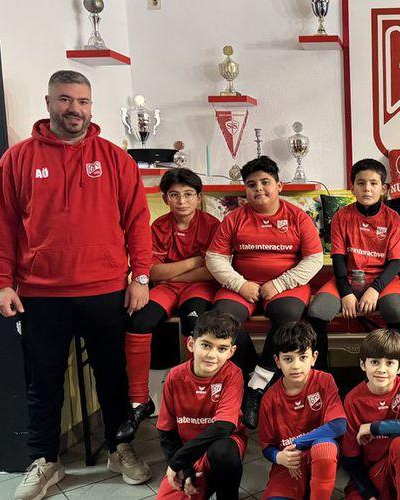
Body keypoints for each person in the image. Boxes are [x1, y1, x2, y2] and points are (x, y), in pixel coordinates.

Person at [0, 70, 152, 499]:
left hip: (105, 289)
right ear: (48, 102)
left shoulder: (115, 159)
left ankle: (119, 448)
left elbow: (137, 222)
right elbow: (1, 225)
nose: (74, 109)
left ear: (91, 106)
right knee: (43, 383)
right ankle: (45, 460)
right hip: (40, 294)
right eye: (65, 99)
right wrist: (1, 282)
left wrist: (140, 276)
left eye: (82, 101)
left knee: (112, 377)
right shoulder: (18, 159)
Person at [205, 156, 324, 430]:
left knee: (288, 317)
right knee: (222, 320)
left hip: (286, 285)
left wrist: (279, 284)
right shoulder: (234, 218)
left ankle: (257, 386)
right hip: (242, 284)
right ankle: (252, 373)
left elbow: (314, 259)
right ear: (245, 190)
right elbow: (215, 258)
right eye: (251, 184)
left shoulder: (298, 217)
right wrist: (240, 284)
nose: (258, 188)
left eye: (265, 182)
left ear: (279, 186)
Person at [118, 167, 221, 441]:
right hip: (166, 289)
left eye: (188, 194)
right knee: (138, 322)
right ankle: (139, 402)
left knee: (194, 324)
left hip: (199, 288)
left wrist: (172, 271)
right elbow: (152, 272)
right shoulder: (159, 227)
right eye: (174, 195)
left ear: (199, 197)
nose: (182, 201)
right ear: (165, 198)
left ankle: (194, 397)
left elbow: (212, 272)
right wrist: (193, 262)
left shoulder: (213, 226)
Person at [306, 159, 400, 369]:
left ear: (383, 189)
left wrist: (375, 289)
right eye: (361, 183)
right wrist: (346, 293)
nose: (367, 189)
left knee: (396, 311)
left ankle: (396, 370)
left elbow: (396, 262)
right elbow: (338, 259)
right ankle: (320, 374)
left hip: (382, 281)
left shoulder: (393, 218)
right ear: (352, 187)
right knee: (317, 312)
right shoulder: (341, 216)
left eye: (373, 183)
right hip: (348, 278)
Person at [155, 311, 246, 500]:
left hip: (220, 448)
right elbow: (166, 431)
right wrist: (184, 467)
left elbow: (224, 427)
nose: (212, 355)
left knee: (222, 450)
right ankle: (201, 483)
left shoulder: (233, 374)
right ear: (191, 344)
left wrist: (177, 461)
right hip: (188, 452)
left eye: (222, 348)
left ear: (231, 352)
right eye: (205, 345)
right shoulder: (174, 376)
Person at [259, 321, 346, 500]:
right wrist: (279, 457)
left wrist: (297, 443)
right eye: (288, 359)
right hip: (289, 463)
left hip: (319, 456)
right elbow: (267, 447)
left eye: (303, 357)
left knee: (325, 448)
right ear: (277, 361)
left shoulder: (324, 381)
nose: (296, 366)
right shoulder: (269, 399)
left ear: (314, 358)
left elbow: (338, 425)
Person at [342, 329, 400, 500]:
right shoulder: (353, 399)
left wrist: (373, 428)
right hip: (371, 475)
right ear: (363, 364)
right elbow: (351, 459)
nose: (382, 369)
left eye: (389, 363)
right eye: (374, 362)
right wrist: (370, 495)